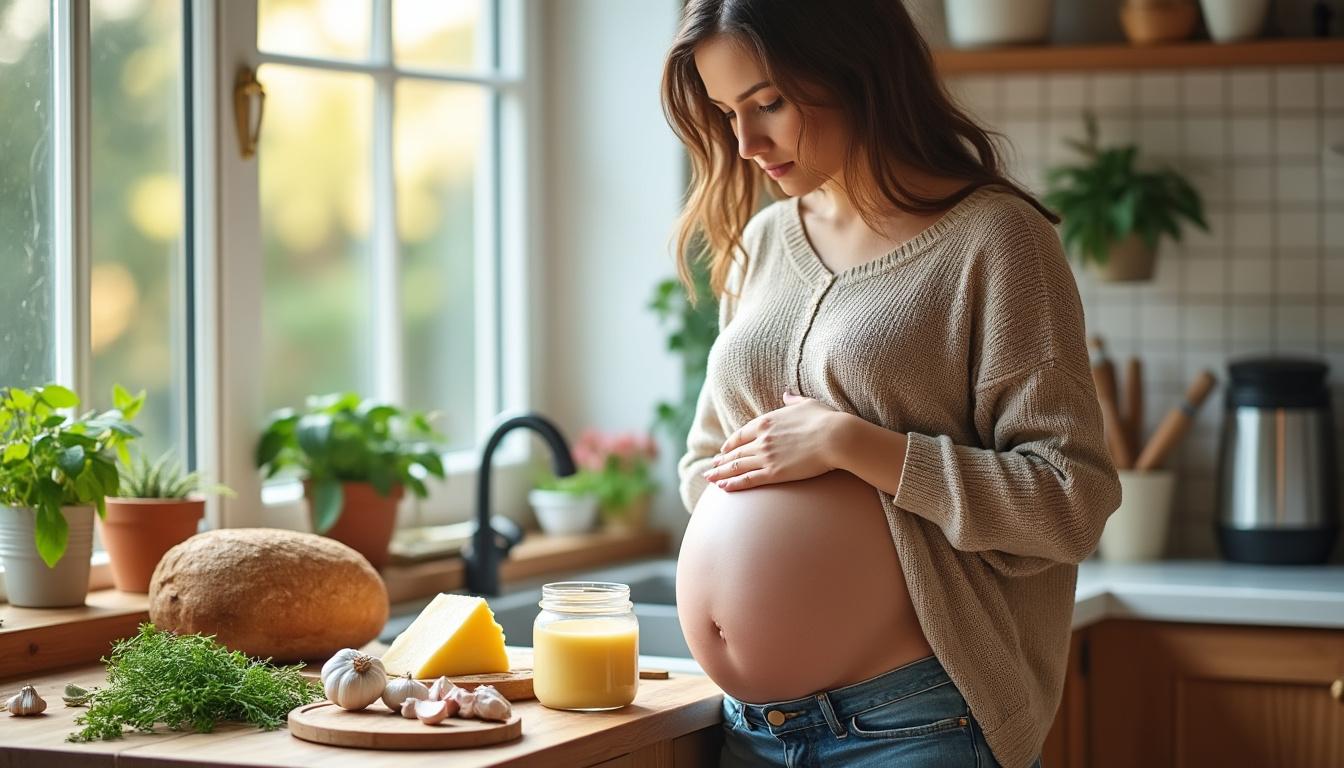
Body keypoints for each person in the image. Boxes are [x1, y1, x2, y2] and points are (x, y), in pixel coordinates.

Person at [660, 2, 1122, 766]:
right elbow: (705, 465)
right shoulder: (764, 243)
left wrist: (855, 445)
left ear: (856, 68)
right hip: (750, 729)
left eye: (768, 102)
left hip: (914, 726)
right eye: (725, 112)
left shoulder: (996, 241)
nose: (745, 143)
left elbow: (1070, 501)